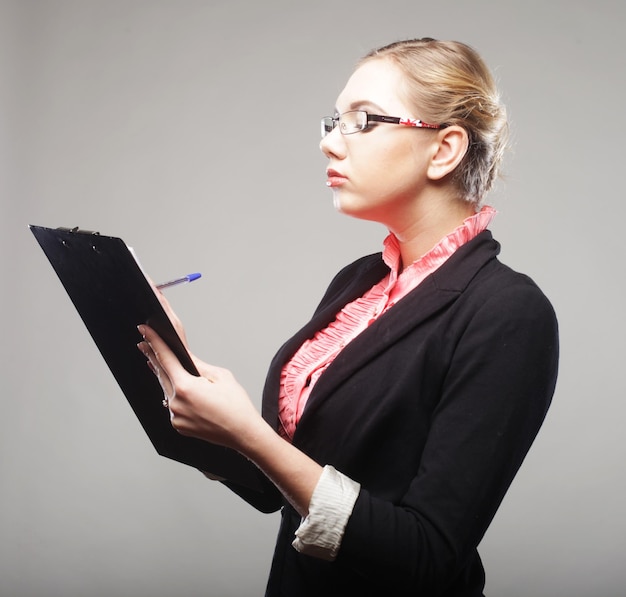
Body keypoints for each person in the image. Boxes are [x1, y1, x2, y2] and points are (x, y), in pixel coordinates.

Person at [137, 37, 559, 597]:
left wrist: (249, 435)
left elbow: (427, 556)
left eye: (362, 121)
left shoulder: (508, 313)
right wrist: (178, 369)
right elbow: (276, 487)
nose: (329, 144)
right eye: (333, 121)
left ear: (444, 149)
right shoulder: (358, 282)